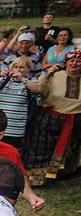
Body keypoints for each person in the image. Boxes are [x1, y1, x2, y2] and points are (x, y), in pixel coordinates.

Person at [22, 50, 81, 184]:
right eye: (72, 60)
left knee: (68, 150)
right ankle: (35, 178)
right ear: (66, 63)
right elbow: (41, 90)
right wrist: (50, 73)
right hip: (50, 119)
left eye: (78, 61)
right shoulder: (54, 75)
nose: (75, 63)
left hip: (75, 121)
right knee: (40, 150)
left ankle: (62, 174)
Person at [0, 57, 42, 149]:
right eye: (16, 67)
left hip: (16, 128)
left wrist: (22, 79)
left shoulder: (30, 82)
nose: (18, 70)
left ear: (28, 69)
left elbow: (37, 89)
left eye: (22, 67)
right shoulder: (4, 81)